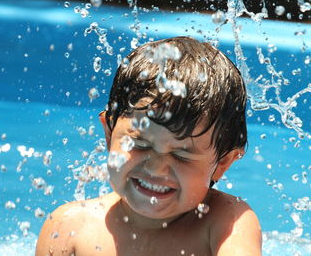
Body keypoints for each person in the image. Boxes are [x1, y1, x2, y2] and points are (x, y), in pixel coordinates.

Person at [36, 36, 262, 256]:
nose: (156, 169)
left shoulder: (227, 222)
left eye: (181, 155)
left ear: (222, 162)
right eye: (140, 144)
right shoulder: (70, 228)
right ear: (109, 133)